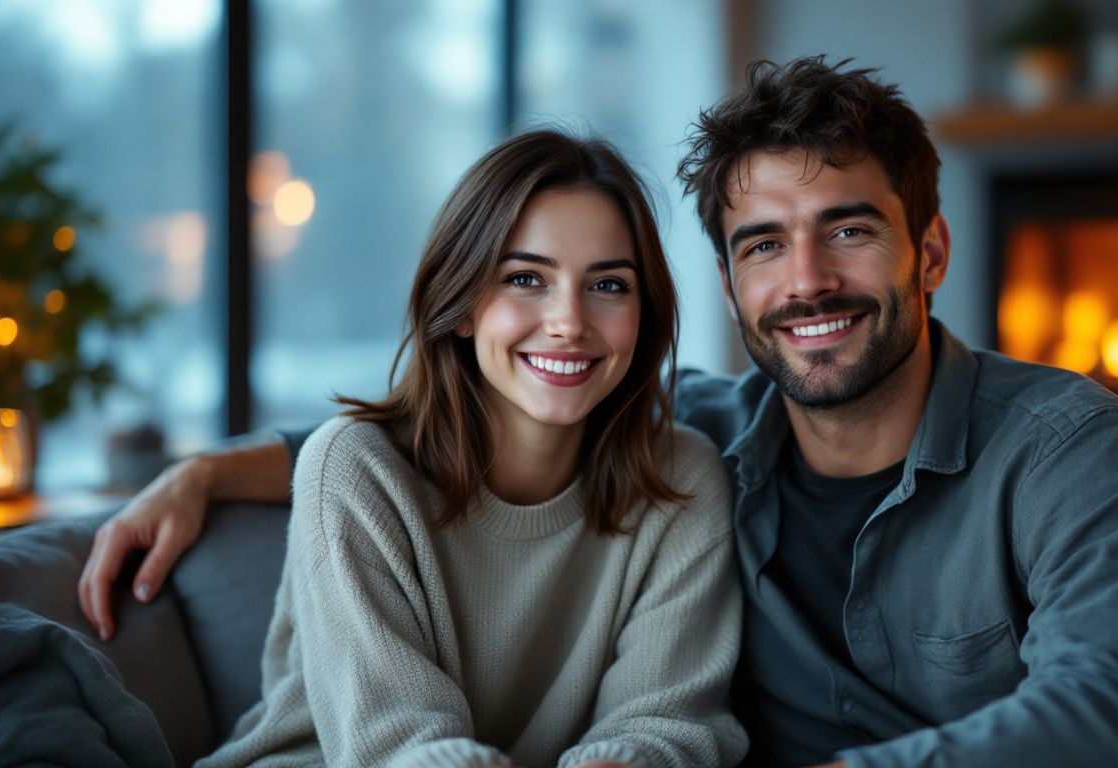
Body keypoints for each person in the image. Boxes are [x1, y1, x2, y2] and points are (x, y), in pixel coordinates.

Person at [81, 58, 1118, 767]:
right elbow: (411, 442)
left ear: (933, 251)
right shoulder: (719, 432)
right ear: (730, 289)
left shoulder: (1066, 449)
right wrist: (210, 473)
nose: (806, 279)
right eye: (764, 245)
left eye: (850, 229)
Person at [185, 130, 745, 766]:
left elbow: (668, 723)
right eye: (526, 278)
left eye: (609, 285)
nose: (569, 321)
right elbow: (396, 748)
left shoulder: (682, 480)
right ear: (463, 304)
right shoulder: (354, 468)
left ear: (645, 312)